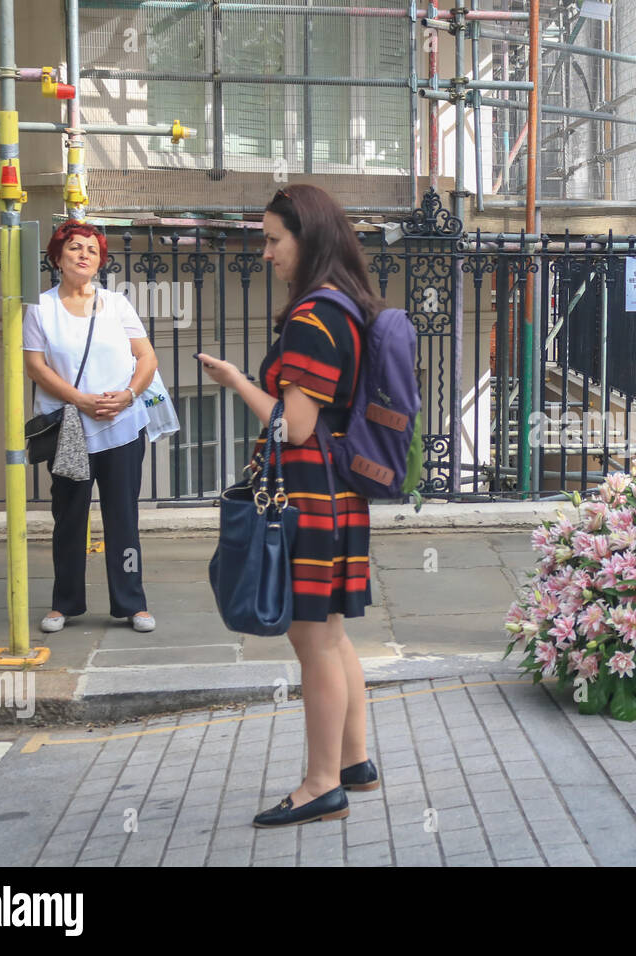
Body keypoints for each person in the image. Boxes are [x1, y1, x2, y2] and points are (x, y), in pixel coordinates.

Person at [197, 185, 378, 829]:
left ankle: (320, 784)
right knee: (331, 633)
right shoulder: (345, 307)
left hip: (307, 490)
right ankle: (353, 761)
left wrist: (237, 380)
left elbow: (295, 425)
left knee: (313, 640)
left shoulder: (311, 319)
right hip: (334, 490)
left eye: (275, 239)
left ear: (310, 239)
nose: (266, 251)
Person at [23, 221, 158, 635]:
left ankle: (132, 603)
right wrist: (79, 399)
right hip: (70, 428)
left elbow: (146, 358)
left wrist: (130, 395)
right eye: (74, 247)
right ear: (57, 256)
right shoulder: (40, 308)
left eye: (92, 250)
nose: (83, 254)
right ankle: (64, 603)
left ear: (100, 261)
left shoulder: (117, 304)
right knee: (69, 518)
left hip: (122, 425)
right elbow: (34, 365)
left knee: (123, 517)